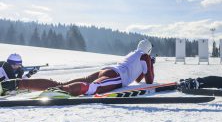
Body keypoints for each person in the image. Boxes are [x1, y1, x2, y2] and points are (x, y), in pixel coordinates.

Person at [0, 39, 155, 96]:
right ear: (148, 50)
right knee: (92, 89)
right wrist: (150, 64)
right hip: (116, 77)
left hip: (107, 70)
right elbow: (149, 80)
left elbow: (138, 77)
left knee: (62, 83)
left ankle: (17, 83)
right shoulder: (145, 56)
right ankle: (63, 92)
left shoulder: (133, 54)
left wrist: (145, 67)